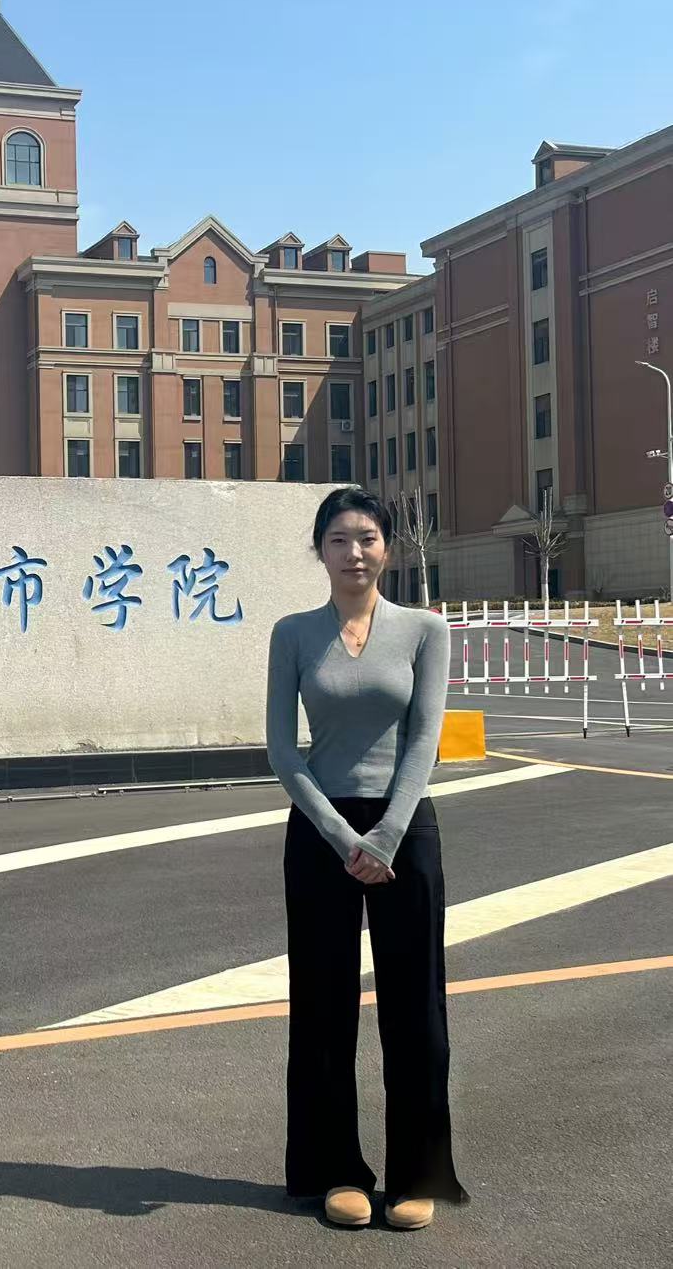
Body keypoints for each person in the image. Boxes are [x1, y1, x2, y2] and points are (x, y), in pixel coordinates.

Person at [265, 486, 471, 1231]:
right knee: (322, 1006)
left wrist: (384, 836)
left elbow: (424, 739)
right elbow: (282, 749)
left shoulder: (424, 629)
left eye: (368, 538)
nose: (355, 553)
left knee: (416, 1006)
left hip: (405, 829)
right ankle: (335, 1172)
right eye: (339, 540)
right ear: (319, 551)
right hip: (321, 833)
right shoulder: (293, 633)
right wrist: (339, 835)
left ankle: (418, 1173)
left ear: (389, 547)